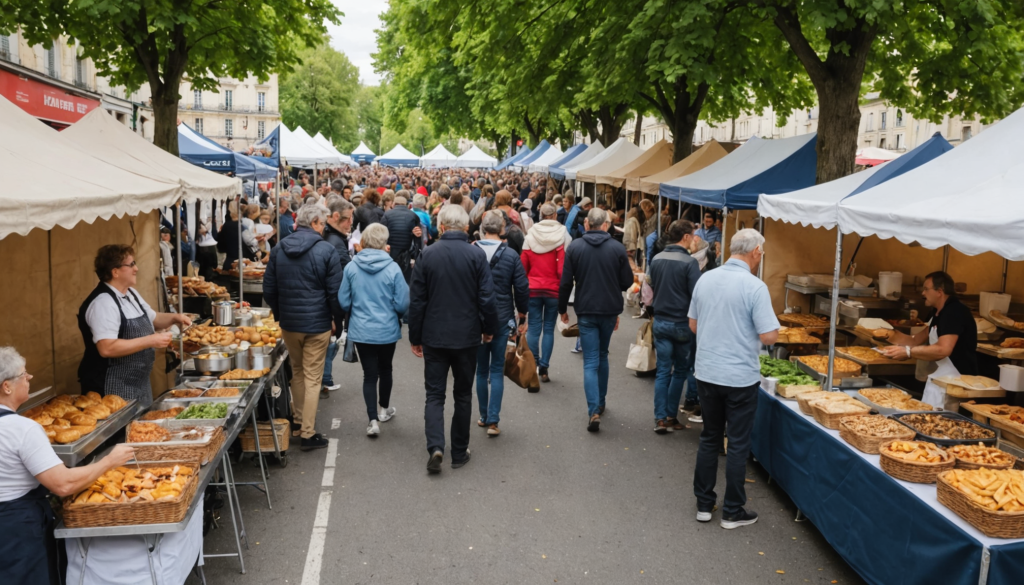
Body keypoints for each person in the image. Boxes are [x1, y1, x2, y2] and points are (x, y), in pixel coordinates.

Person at [0, 347, 136, 585]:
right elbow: (63, 484)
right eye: (24, 375)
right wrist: (109, 461)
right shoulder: (23, 429)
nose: (30, 378)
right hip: (15, 527)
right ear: (6, 387)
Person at [688, 229, 779, 529]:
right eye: (762, 252)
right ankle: (732, 511)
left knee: (710, 437)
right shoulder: (755, 287)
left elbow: (693, 325)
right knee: (738, 444)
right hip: (740, 376)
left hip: (708, 372)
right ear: (754, 252)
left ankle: (704, 504)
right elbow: (768, 335)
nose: (761, 256)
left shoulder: (706, 278)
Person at [408, 204, 498, 474]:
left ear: (442, 227)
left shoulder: (428, 254)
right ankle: (459, 451)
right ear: (466, 227)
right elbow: (487, 298)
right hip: (467, 335)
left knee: (434, 394)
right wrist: (489, 328)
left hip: (435, 335)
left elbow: (418, 300)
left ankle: (436, 446)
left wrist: (415, 335)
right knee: (462, 394)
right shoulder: (476, 255)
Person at [263, 204, 344, 451]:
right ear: (317, 223)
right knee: (312, 377)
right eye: (323, 223)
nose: (324, 227)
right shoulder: (327, 250)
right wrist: (337, 321)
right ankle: (307, 433)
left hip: (290, 323)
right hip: (317, 323)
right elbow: (334, 293)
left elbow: (269, 289)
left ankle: (298, 423)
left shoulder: (279, 249)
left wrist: (280, 314)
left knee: (297, 372)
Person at [78, 245, 191, 407]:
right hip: (112, 387)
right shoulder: (103, 303)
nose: (136, 269)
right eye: (130, 265)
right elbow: (107, 348)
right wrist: (151, 340)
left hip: (138, 383)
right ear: (115, 271)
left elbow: (154, 318)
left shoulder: (130, 293)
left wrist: (175, 317)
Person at [558, 208, 633, 432]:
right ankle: (601, 401)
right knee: (602, 355)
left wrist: (563, 309)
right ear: (605, 225)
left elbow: (565, 282)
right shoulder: (617, 248)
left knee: (590, 360)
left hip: (586, 308)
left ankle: (593, 410)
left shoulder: (576, 247)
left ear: (587, 224)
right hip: (609, 309)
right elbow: (627, 281)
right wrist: (613, 287)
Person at [338, 224, 410, 437]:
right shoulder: (393, 268)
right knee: (385, 369)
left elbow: (343, 301)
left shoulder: (351, 267)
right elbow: (402, 304)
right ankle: (384, 409)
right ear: (384, 243)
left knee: (369, 375)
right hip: (386, 328)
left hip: (361, 329)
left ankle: (372, 420)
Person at [878, 271, 978, 408]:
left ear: (939, 291)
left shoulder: (953, 312)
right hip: (940, 378)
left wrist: (908, 352)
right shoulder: (937, 312)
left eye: (926, 289)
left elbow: (943, 349)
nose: (923, 293)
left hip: (956, 383)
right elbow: (915, 340)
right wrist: (888, 334)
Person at [474, 211, 529, 435]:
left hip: (476, 318)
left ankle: (483, 415)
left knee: (480, 370)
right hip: (503, 315)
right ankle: (494, 420)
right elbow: (522, 287)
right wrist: (522, 314)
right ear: (503, 230)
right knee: (497, 368)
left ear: (482, 229)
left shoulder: (471, 251)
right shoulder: (511, 255)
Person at [648, 220, 702, 434]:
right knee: (680, 370)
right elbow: (698, 295)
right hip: (682, 323)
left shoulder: (657, 258)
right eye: (693, 235)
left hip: (660, 321)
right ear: (686, 237)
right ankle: (670, 415)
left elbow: (650, 288)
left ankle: (660, 418)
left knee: (663, 371)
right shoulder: (689, 263)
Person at [521, 203, 571, 383]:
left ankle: (533, 363)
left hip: (533, 287)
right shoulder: (563, 235)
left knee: (534, 328)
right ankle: (544, 367)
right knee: (549, 329)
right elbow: (562, 269)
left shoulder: (530, 235)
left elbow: (523, 265)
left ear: (540, 215)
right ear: (555, 216)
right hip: (553, 288)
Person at [321, 195, 355, 397]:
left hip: (324, 304)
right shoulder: (334, 241)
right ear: (335, 216)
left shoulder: (331, 237)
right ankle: (324, 380)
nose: (351, 223)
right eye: (348, 219)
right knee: (329, 343)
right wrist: (336, 315)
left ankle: (325, 379)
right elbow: (340, 279)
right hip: (328, 306)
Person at [381, 192, 423, 283]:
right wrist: (416, 259)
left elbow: (381, 236)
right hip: (406, 256)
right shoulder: (413, 216)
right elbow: (417, 237)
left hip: (389, 254)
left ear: (393, 204)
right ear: (407, 205)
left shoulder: (387, 215)